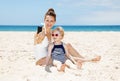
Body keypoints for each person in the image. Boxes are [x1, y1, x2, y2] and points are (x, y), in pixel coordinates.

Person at [34, 8, 101, 67]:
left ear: (54, 22)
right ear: (44, 20)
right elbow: (37, 41)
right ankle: (88, 60)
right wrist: (41, 36)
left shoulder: (52, 32)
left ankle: (82, 58)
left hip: (50, 55)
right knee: (64, 56)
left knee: (67, 46)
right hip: (41, 60)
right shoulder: (40, 29)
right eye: (47, 20)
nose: (49, 23)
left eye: (51, 21)